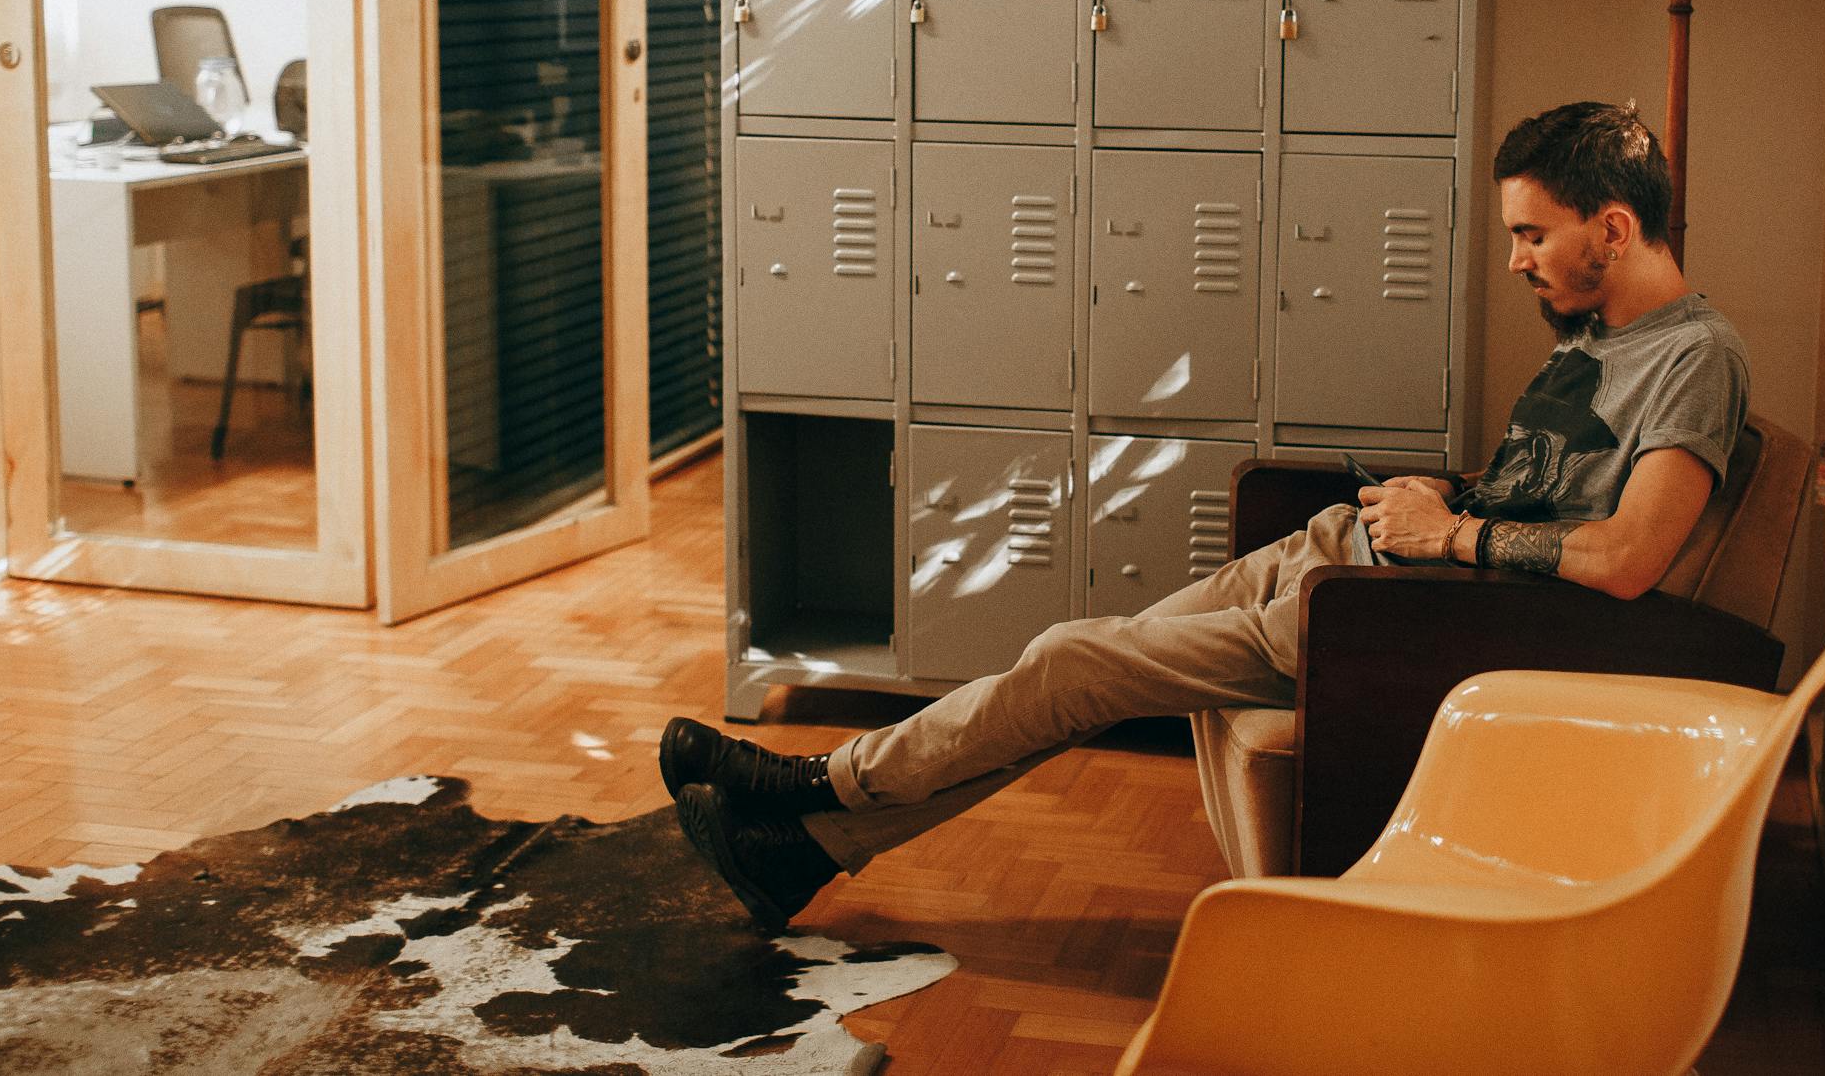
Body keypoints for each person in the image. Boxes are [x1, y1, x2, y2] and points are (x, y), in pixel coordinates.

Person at [664, 101, 1751, 931]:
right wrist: (1442, 496)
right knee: (1064, 677)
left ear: (1613, 228)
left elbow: (1626, 557)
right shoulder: (1593, 328)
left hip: (1384, 621)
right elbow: (1552, 488)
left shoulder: (1694, 359)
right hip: (1351, 562)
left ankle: (821, 780)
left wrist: (1448, 536)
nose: (1515, 259)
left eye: (1532, 235)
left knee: (1068, 661)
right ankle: (800, 851)